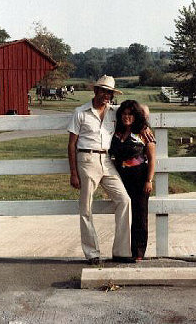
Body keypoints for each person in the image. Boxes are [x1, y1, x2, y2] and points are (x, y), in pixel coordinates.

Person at [67, 75, 137, 265]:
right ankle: (92, 253)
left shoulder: (115, 112)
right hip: (86, 158)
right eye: (104, 91)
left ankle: (122, 251)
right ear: (96, 91)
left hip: (107, 160)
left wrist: (145, 126)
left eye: (110, 92)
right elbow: (71, 144)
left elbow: (139, 111)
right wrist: (73, 172)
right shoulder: (80, 112)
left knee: (124, 200)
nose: (107, 95)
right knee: (86, 207)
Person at [109, 100, 156, 261]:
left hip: (139, 176)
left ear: (136, 116)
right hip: (121, 176)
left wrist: (149, 180)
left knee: (140, 214)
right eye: (124, 113)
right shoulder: (117, 131)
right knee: (125, 213)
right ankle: (124, 251)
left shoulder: (143, 132)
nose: (127, 117)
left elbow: (152, 158)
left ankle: (138, 252)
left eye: (130, 114)